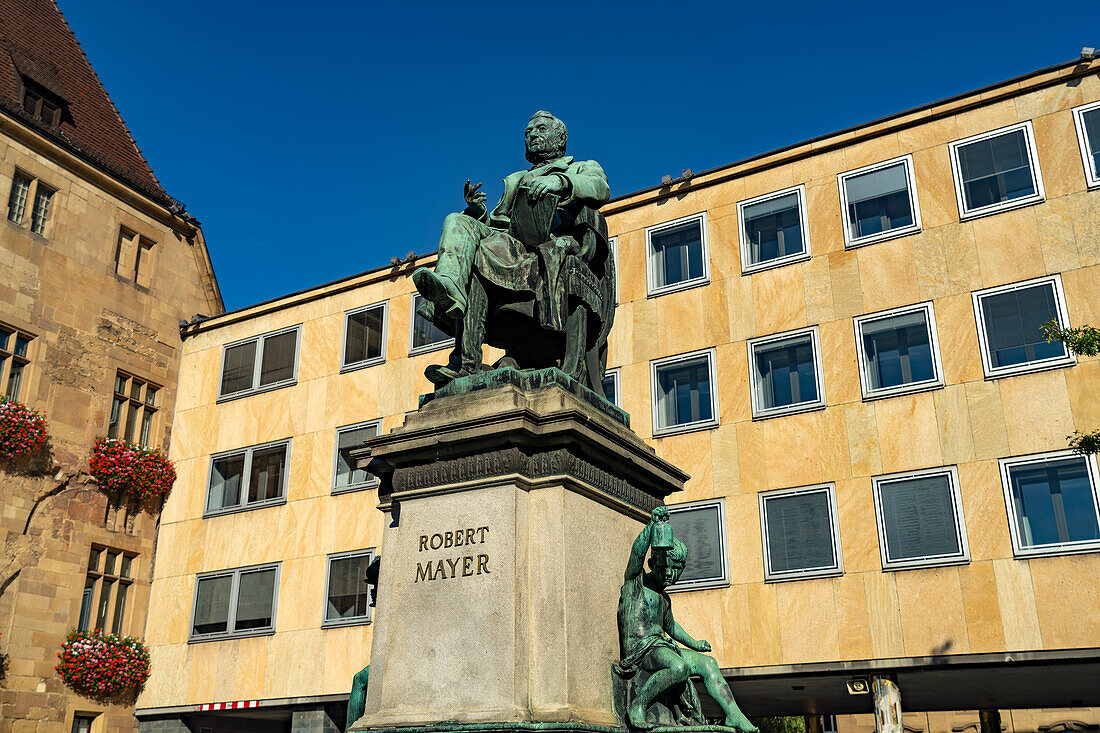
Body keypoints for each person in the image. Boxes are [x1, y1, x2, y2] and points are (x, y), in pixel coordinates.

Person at [411, 111, 611, 385]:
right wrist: (478, 211)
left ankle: (464, 350)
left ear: (560, 138)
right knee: (457, 220)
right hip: (511, 242)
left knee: (481, 256)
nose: (533, 135)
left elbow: (600, 188)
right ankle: (451, 294)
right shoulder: (517, 179)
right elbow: (499, 224)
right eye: (528, 132)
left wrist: (559, 182)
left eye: (541, 129)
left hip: (548, 243)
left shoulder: (579, 168)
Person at [617, 507, 758, 732]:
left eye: (677, 572)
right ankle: (638, 705)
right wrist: (652, 527)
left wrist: (695, 644)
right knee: (680, 667)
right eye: (667, 569)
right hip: (641, 648)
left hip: (661, 646)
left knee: (708, 664)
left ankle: (734, 714)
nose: (671, 576)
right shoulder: (636, 583)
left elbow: (670, 625)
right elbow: (636, 554)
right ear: (653, 564)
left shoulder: (664, 598)